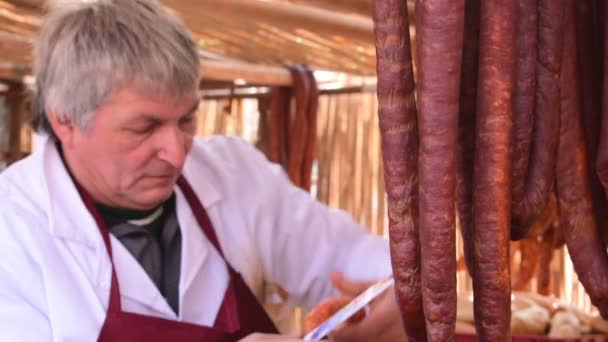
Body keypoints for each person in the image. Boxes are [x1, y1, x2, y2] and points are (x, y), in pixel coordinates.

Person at [0, 0, 404, 340]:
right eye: (145, 128)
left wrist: (394, 298)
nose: (176, 154)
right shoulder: (13, 225)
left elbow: (351, 260)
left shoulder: (232, 173)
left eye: (187, 120)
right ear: (64, 121)